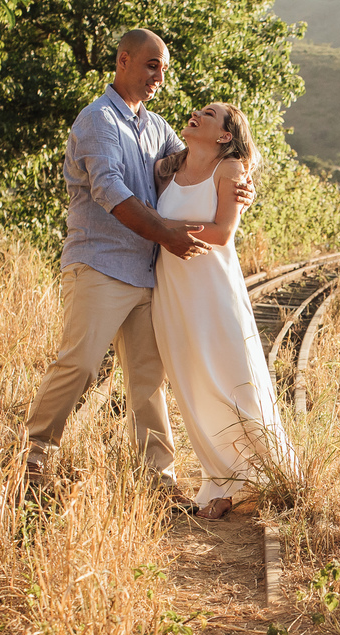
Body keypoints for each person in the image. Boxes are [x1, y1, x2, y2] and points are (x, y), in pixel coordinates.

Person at [24, 29, 249, 509]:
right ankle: (33, 461)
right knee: (80, 364)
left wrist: (239, 184)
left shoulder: (157, 126)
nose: (159, 77)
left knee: (147, 381)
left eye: (163, 69)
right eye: (151, 66)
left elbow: (197, 162)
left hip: (148, 274)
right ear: (124, 61)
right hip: (100, 264)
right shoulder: (97, 121)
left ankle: (158, 484)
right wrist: (167, 233)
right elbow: (108, 191)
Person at [151, 103, 300, 520]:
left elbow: (222, 231)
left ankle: (272, 476)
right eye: (199, 109)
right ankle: (222, 482)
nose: (197, 113)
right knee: (193, 388)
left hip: (213, 292)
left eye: (210, 113)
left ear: (224, 135)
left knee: (234, 384)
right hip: (173, 294)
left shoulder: (230, 169)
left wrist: (164, 229)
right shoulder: (168, 168)